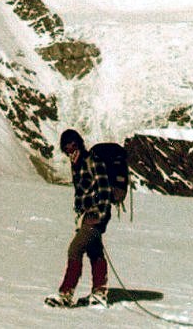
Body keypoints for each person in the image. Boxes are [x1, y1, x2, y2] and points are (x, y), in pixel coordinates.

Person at [45, 129, 112, 307]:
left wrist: (100, 216)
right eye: (67, 147)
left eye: (73, 145)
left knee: (75, 249)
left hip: (95, 216)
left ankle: (66, 293)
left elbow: (104, 189)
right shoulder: (77, 165)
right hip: (86, 216)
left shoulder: (92, 161)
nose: (70, 150)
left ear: (79, 144)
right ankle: (99, 292)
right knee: (94, 251)